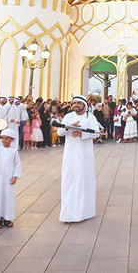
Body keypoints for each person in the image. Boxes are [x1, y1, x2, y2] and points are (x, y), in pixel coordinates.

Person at [57, 95, 100, 223]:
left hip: (84, 157)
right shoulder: (68, 117)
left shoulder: (90, 117)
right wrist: (69, 127)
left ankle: (85, 212)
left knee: (84, 181)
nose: (76, 105)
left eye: (79, 103)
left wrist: (82, 134)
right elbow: (60, 132)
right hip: (70, 156)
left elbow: (97, 133)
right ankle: (68, 214)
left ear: (85, 105)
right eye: (74, 103)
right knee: (69, 181)